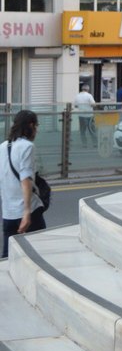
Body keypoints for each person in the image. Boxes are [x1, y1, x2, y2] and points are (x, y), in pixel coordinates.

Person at [0, 110, 46, 258]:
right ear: (31, 125)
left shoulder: (2, 146)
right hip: (28, 211)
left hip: (8, 213)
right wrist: (26, 212)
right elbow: (25, 179)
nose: (37, 130)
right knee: (39, 255)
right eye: (36, 126)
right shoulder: (27, 147)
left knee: (8, 258)